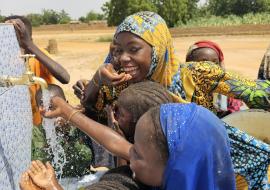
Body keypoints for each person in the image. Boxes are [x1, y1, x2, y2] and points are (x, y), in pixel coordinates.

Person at [21, 102, 237, 190]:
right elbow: (116, 144)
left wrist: (53, 188)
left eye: (138, 154)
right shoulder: (164, 165)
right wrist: (68, 112)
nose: (129, 153)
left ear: (177, 171)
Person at [4, 16, 70, 126]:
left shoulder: (37, 57)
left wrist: (29, 45)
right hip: (19, 125)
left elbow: (65, 77)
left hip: (44, 124)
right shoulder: (5, 60)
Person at [32, 84, 92, 177]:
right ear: (39, 109)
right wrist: (51, 137)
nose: (51, 112)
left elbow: (87, 160)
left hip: (79, 179)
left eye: (55, 106)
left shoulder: (77, 127)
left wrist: (67, 135)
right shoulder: (37, 132)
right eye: (47, 106)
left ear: (66, 104)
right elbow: (38, 165)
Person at [185, 40, 245, 117]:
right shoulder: (180, 91)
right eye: (204, 63)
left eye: (215, 62)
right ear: (190, 64)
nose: (211, 67)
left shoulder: (229, 93)